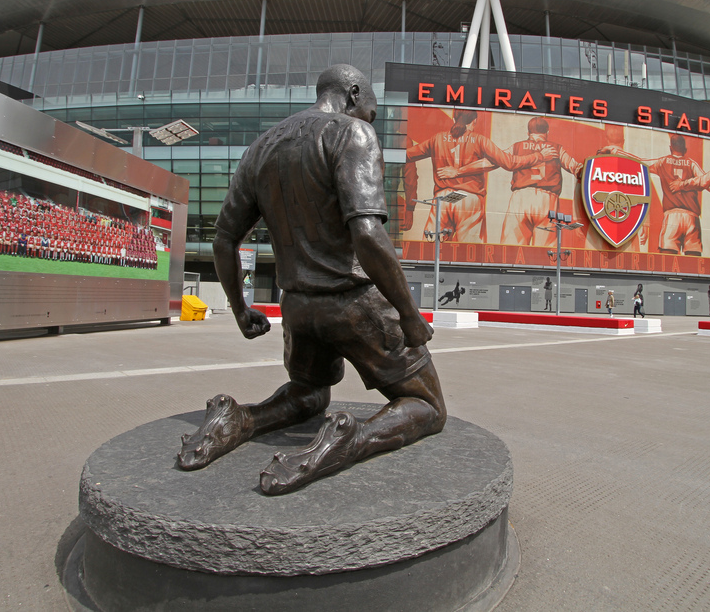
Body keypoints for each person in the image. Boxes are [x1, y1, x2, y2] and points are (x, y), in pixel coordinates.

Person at [178, 64, 445, 496]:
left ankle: (240, 417)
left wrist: (241, 309)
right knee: (428, 406)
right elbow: (367, 234)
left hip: (299, 308)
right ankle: (350, 438)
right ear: (354, 93)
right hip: (354, 302)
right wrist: (408, 314)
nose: (368, 122)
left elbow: (224, 239)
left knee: (309, 395)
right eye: (370, 113)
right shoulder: (351, 134)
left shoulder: (261, 148)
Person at [405, 109, 544, 243]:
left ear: (454, 120)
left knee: (431, 252)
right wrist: (539, 156)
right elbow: (510, 163)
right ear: (474, 122)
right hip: (469, 200)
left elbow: (406, 155)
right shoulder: (480, 140)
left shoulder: (437, 139)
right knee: (467, 253)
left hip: (442, 199)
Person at [499, 116, 580, 246]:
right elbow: (575, 167)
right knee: (545, 254)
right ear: (547, 132)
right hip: (547, 200)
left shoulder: (517, 146)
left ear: (528, 133)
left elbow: (499, 159)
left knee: (511, 250)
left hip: (520, 197)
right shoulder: (556, 148)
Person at [649, 135, 704, 255]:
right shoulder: (691, 164)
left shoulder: (662, 162)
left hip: (672, 215)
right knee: (693, 258)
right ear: (685, 150)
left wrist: (615, 151)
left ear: (670, 148)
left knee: (667, 257)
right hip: (692, 216)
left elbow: (641, 162)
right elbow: (705, 180)